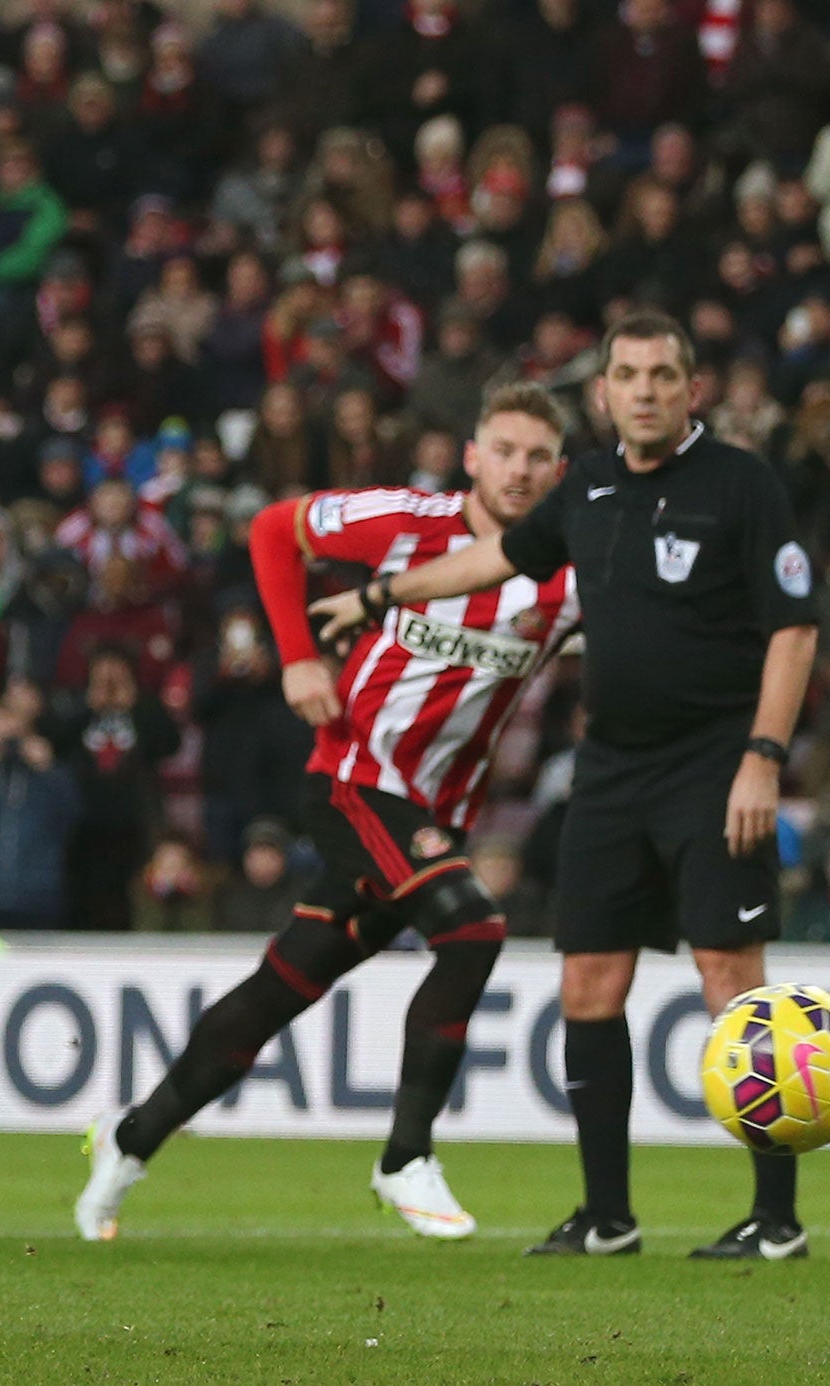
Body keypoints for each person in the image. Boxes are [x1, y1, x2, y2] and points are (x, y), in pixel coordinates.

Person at [311, 313, 820, 1260]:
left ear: (692, 390)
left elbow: (794, 627)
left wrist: (762, 753)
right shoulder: (586, 483)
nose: (645, 391)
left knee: (731, 983)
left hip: (714, 764)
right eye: (628, 374)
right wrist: (383, 595)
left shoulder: (742, 486)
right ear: (606, 391)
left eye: (664, 375)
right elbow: (497, 557)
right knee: (588, 982)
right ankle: (606, 1216)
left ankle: (777, 1218)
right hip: (611, 770)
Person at [78, 383, 582, 1242]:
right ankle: (405, 1158)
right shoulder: (410, 521)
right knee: (472, 930)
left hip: (434, 817)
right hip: (353, 779)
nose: (520, 470)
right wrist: (298, 660)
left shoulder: (569, 577)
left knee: (286, 985)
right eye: (504, 450)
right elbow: (276, 530)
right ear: (471, 455)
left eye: (539, 456)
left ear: (562, 470)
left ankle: (127, 1144)